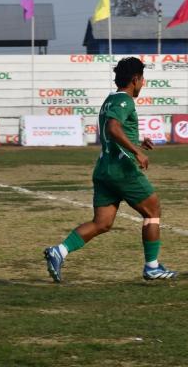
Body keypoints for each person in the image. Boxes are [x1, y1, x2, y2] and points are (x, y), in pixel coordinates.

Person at [43, 57, 177, 282]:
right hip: (122, 170)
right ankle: (152, 266)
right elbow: (113, 128)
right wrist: (136, 151)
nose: (143, 84)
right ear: (135, 79)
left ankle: (60, 251)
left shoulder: (110, 100)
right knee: (153, 211)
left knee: (102, 223)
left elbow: (114, 129)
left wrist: (136, 142)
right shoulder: (125, 101)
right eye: (142, 79)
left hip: (104, 170)